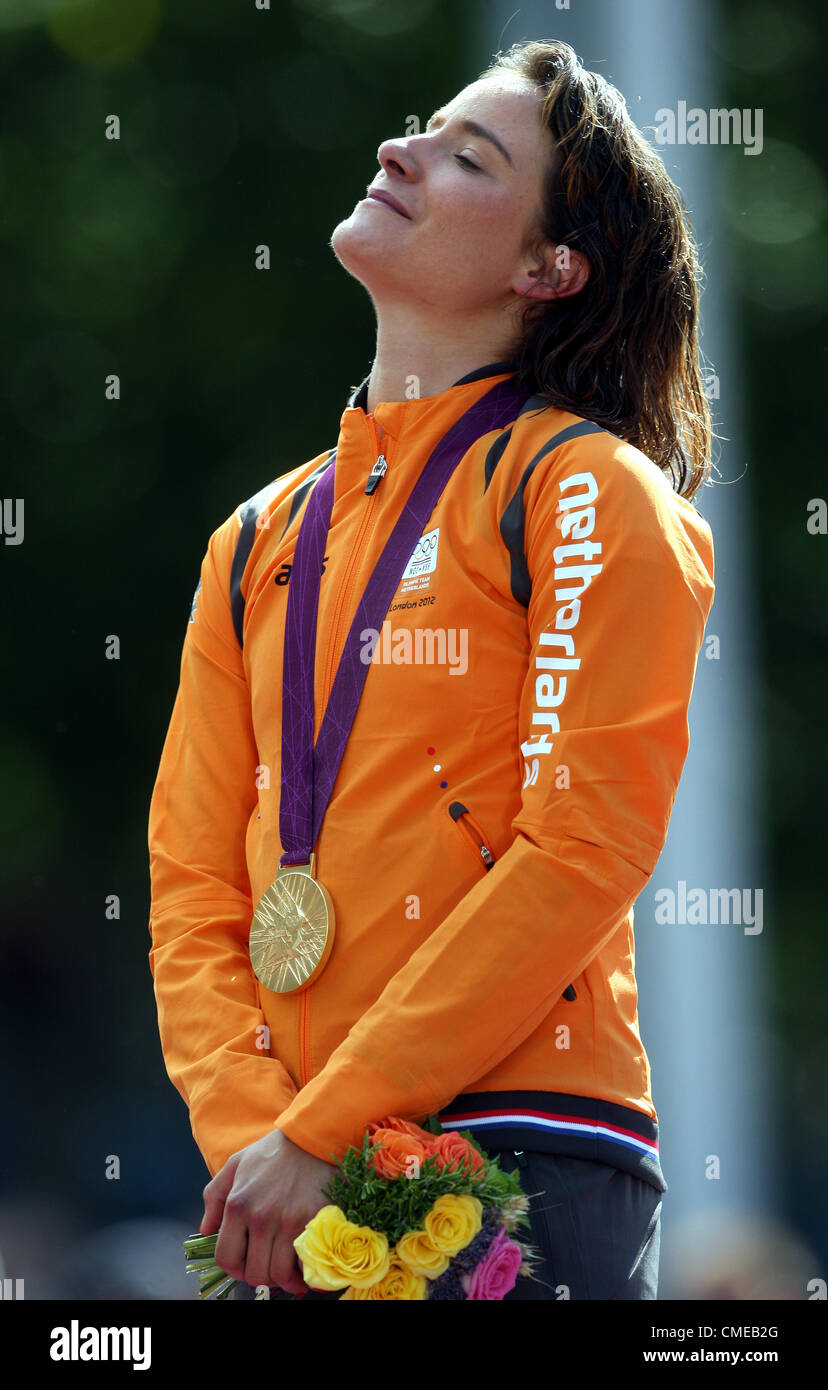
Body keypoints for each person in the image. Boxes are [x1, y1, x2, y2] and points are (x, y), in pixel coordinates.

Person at [147, 37, 715, 1301]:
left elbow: (583, 845)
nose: (399, 149)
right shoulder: (254, 536)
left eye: (470, 155)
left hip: (520, 1139)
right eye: (421, 129)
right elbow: (188, 884)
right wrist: (253, 1135)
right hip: (277, 1180)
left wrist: (326, 1126)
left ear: (545, 265)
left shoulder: (584, 490)